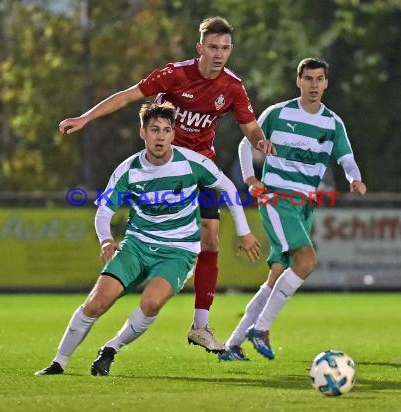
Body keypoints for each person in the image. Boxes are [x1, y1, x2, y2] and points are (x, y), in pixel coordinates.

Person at [58, 16, 274, 353]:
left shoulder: (232, 86)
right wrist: (85, 118)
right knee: (152, 222)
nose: (219, 54)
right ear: (200, 47)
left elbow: (249, 126)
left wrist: (261, 142)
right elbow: (129, 96)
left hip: (198, 168)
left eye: (225, 48)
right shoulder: (175, 74)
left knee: (212, 238)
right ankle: (135, 265)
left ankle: (200, 326)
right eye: (213, 47)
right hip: (161, 164)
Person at [35, 102, 261, 376]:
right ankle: (59, 362)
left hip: (178, 250)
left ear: (173, 134)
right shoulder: (128, 169)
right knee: (96, 303)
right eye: (154, 130)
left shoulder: (192, 163)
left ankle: (111, 348)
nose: (160, 137)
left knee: (151, 301)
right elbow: (104, 212)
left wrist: (244, 231)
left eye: (166, 130)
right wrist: (106, 240)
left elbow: (226, 187)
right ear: (142, 132)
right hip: (137, 245)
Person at [219, 58, 367, 361]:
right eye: (308, 79)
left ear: (326, 83)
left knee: (276, 276)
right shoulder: (278, 113)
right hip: (277, 197)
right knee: (306, 260)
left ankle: (232, 345)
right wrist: (251, 178)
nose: (314, 85)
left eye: (320, 79)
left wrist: (355, 178)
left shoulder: (332, 123)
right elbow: (246, 144)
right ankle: (261, 329)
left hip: (304, 205)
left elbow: (346, 158)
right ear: (298, 81)